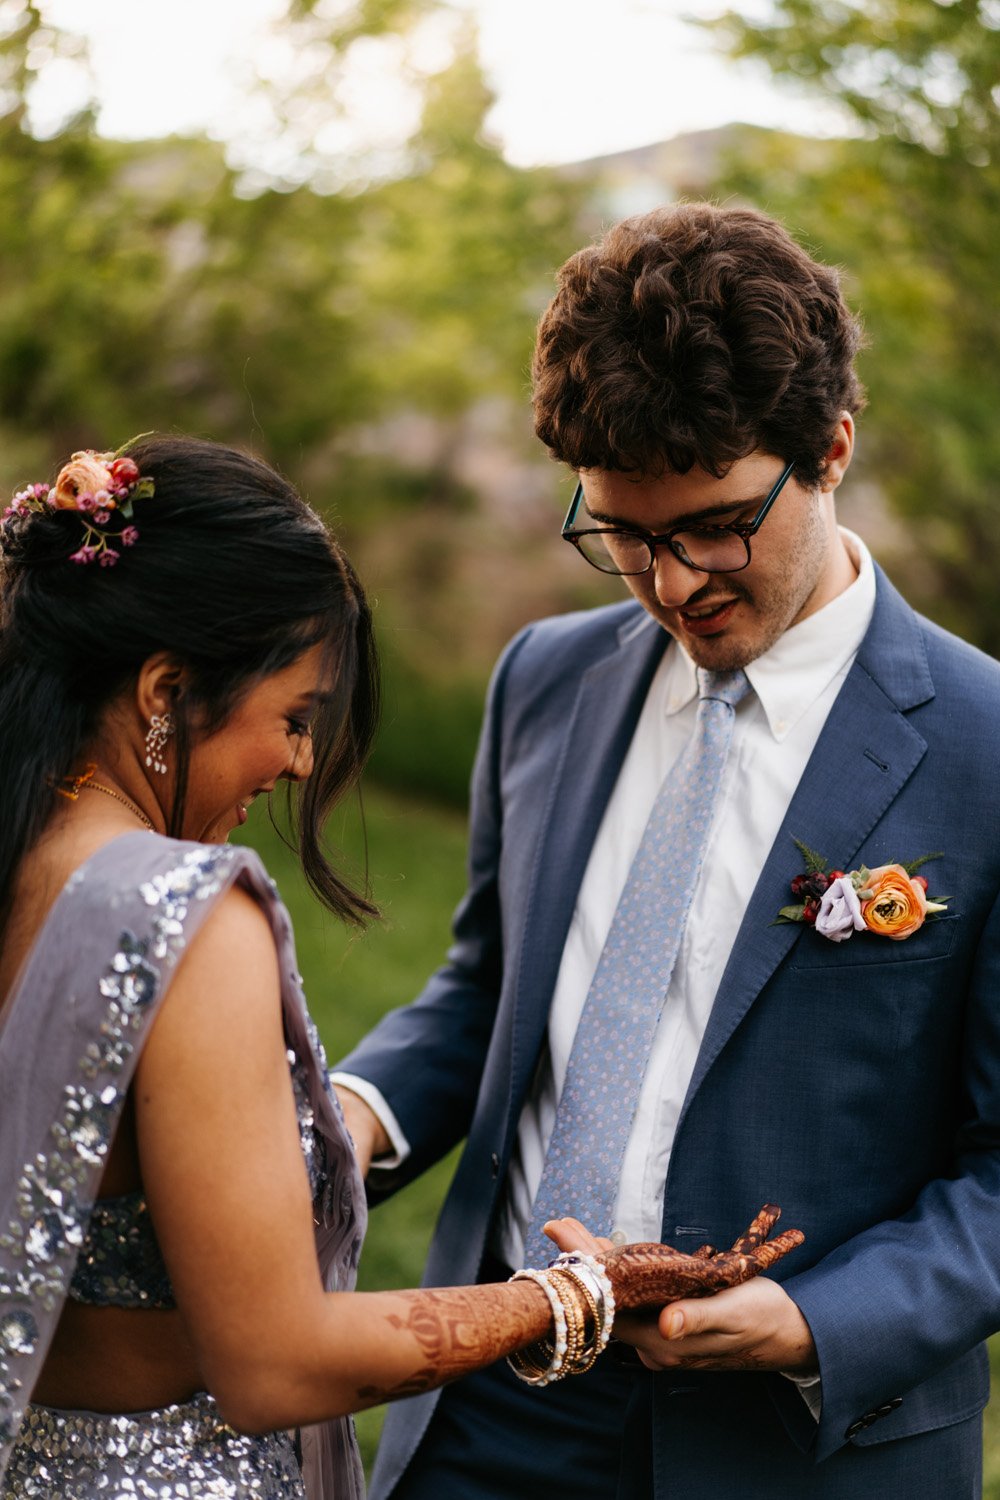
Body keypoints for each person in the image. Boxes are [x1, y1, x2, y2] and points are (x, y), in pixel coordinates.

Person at [334, 201, 1000, 1499]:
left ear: (832, 451)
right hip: (496, 1404)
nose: (671, 584)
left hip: (801, 1448)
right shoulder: (545, 679)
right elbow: (491, 986)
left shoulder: (988, 749)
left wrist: (816, 1324)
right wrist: (348, 1116)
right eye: (623, 538)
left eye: (715, 526)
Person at [0, 434, 798, 1499]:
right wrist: (574, 1293)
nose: (295, 763)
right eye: (292, 718)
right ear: (163, 689)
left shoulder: (21, 861)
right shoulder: (183, 918)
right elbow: (275, 1361)